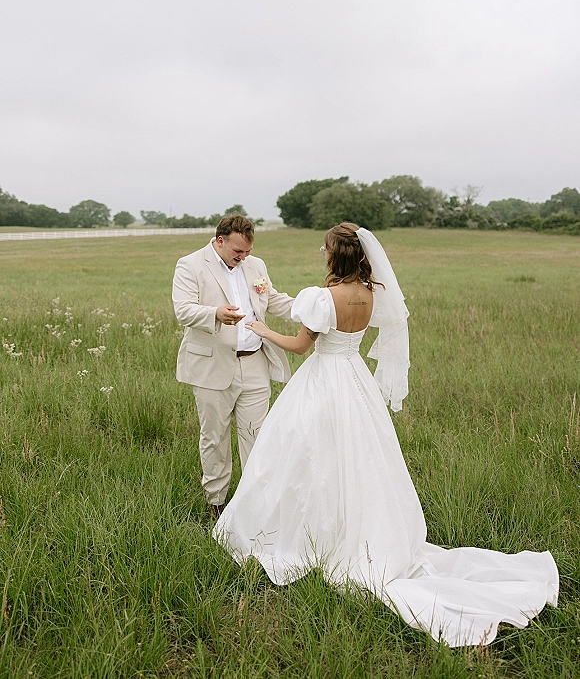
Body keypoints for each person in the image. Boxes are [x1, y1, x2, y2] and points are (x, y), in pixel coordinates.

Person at [213, 222, 558, 647]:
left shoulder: (324, 297)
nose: (321, 254)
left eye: (324, 249)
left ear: (334, 255)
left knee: (307, 457)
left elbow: (302, 346)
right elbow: (351, 336)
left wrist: (262, 330)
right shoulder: (369, 293)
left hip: (323, 382)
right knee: (359, 458)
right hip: (355, 379)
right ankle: (352, 526)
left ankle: (306, 535)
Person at [172, 214, 294, 519]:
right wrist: (215, 313)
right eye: (237, 252)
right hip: (213, 366)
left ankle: (254, 504)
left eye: (247, 252)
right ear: (221, 240)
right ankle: (216, 502)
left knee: (257, 434)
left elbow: (272, 299)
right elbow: (183, 310)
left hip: (255, 363)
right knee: (215, 436)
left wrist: (310, 310)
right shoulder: (190, 264)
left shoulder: (256, 266)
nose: (242, 258)